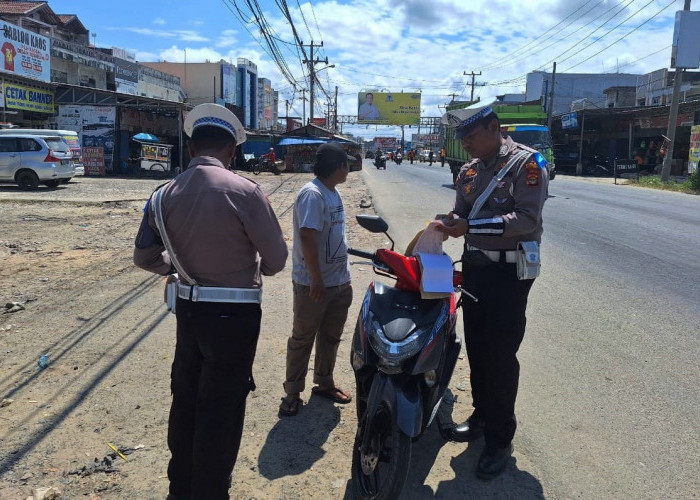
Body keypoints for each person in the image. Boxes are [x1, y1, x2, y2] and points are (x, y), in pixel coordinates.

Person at [133, 103, 288, 499]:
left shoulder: (162, 194)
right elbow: (276, 261)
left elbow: (145, 256)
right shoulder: (246, 192)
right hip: (234, 316)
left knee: (185, 397)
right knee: (221, 406)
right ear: (232, 151)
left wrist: (182, 268)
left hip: (188, 309)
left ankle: (179, 487)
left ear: (190, 149)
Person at [435, 99, 548, 481]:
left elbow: (527, 219)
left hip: (509, 274)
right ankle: (483, 416)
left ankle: (500, 440)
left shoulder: (525, 163)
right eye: (461, 135)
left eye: (471, 133)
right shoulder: (468, 171)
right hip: (477, 270)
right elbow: (464, 213)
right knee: (478, 348)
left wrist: (470, 228)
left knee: (500, 356)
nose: (464, 142)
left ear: (495, 127)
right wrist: (450, 222)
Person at [279, 142, 355, 417]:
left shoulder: (333, 192)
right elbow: (308, 236)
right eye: (347, 164)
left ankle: (324, 382)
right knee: (303, 337)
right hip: (314, 284)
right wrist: (316, 279)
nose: (349, 169)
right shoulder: (312, 194)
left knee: (330, 337)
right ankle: (291, 392)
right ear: (339, 167)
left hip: (338, 282)